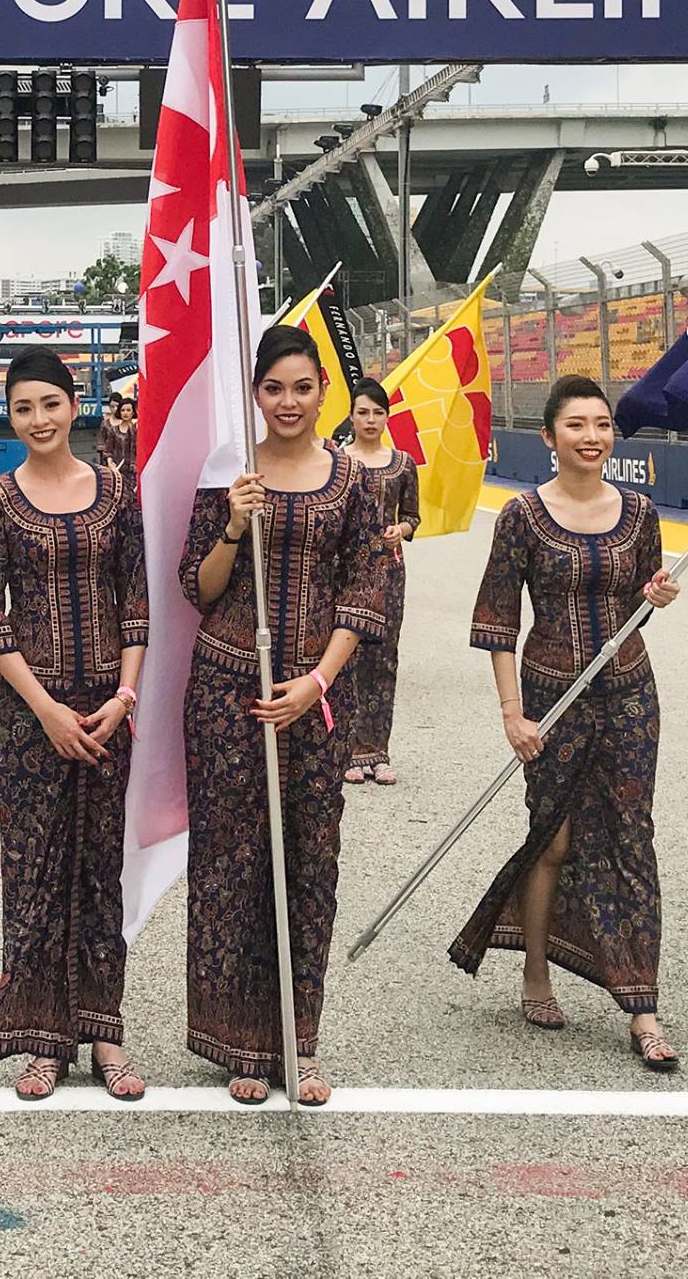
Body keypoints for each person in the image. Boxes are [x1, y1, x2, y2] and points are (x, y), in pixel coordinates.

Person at [179, 325, 388, 1106]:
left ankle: (298, 1042)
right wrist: (234, 525)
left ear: (324, 390)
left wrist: (318, 682)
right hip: (227, 691)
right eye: (273, 389)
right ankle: (240, 1043)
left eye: (302, 387)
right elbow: (196, 588)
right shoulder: (228, 477)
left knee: (308, 863)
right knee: (232, 865)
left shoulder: (353, 482)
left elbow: (365, 592)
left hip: (313, 697)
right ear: (254, 395)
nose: (289, 402)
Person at [451, 374, 682, 1070]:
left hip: (630, 695)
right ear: (549, 436)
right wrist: (512, 714)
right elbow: (497, 621)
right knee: (552, 840)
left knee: (631, 836)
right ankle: (536, 972)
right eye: (577, 425)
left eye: (602, 425)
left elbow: (638, 604)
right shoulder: (521, 516)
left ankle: (642, 1007)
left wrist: (655, 597)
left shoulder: (640, 513)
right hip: (551, 698)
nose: (592, 437)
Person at [0, 348, 148, 1101]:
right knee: (34, 868)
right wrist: (44, 710)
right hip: (27, 717)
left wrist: (125, 698)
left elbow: (137, 604)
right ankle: (44, 1040)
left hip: (107, 708)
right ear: (10, 417)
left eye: (50, 403)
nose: (38, 419)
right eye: (23, 408)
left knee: (103, 869)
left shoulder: (118, 491)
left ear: (75, 406)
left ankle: (105, 1034)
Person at [340, 379, 418, 787]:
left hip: (389, 572)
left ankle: (378, 750)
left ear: (387, 417)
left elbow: (414, 516)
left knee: (384, 659)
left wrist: (401, 530)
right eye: (363, 412)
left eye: (378, 412)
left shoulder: (403, 463)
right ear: (351, 416)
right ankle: (346, 750)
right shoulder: (337, 462)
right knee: (345, 657)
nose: (370, 420)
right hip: (345, 572)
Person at [96, 394, 136, 488]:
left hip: (134, 473)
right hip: (117, 471)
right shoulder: (113, 430)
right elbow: (108, 451)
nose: (125, 413)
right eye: (123, 410)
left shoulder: (137, 430)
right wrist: (110, 463)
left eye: (128, 410)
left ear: (133, 412)